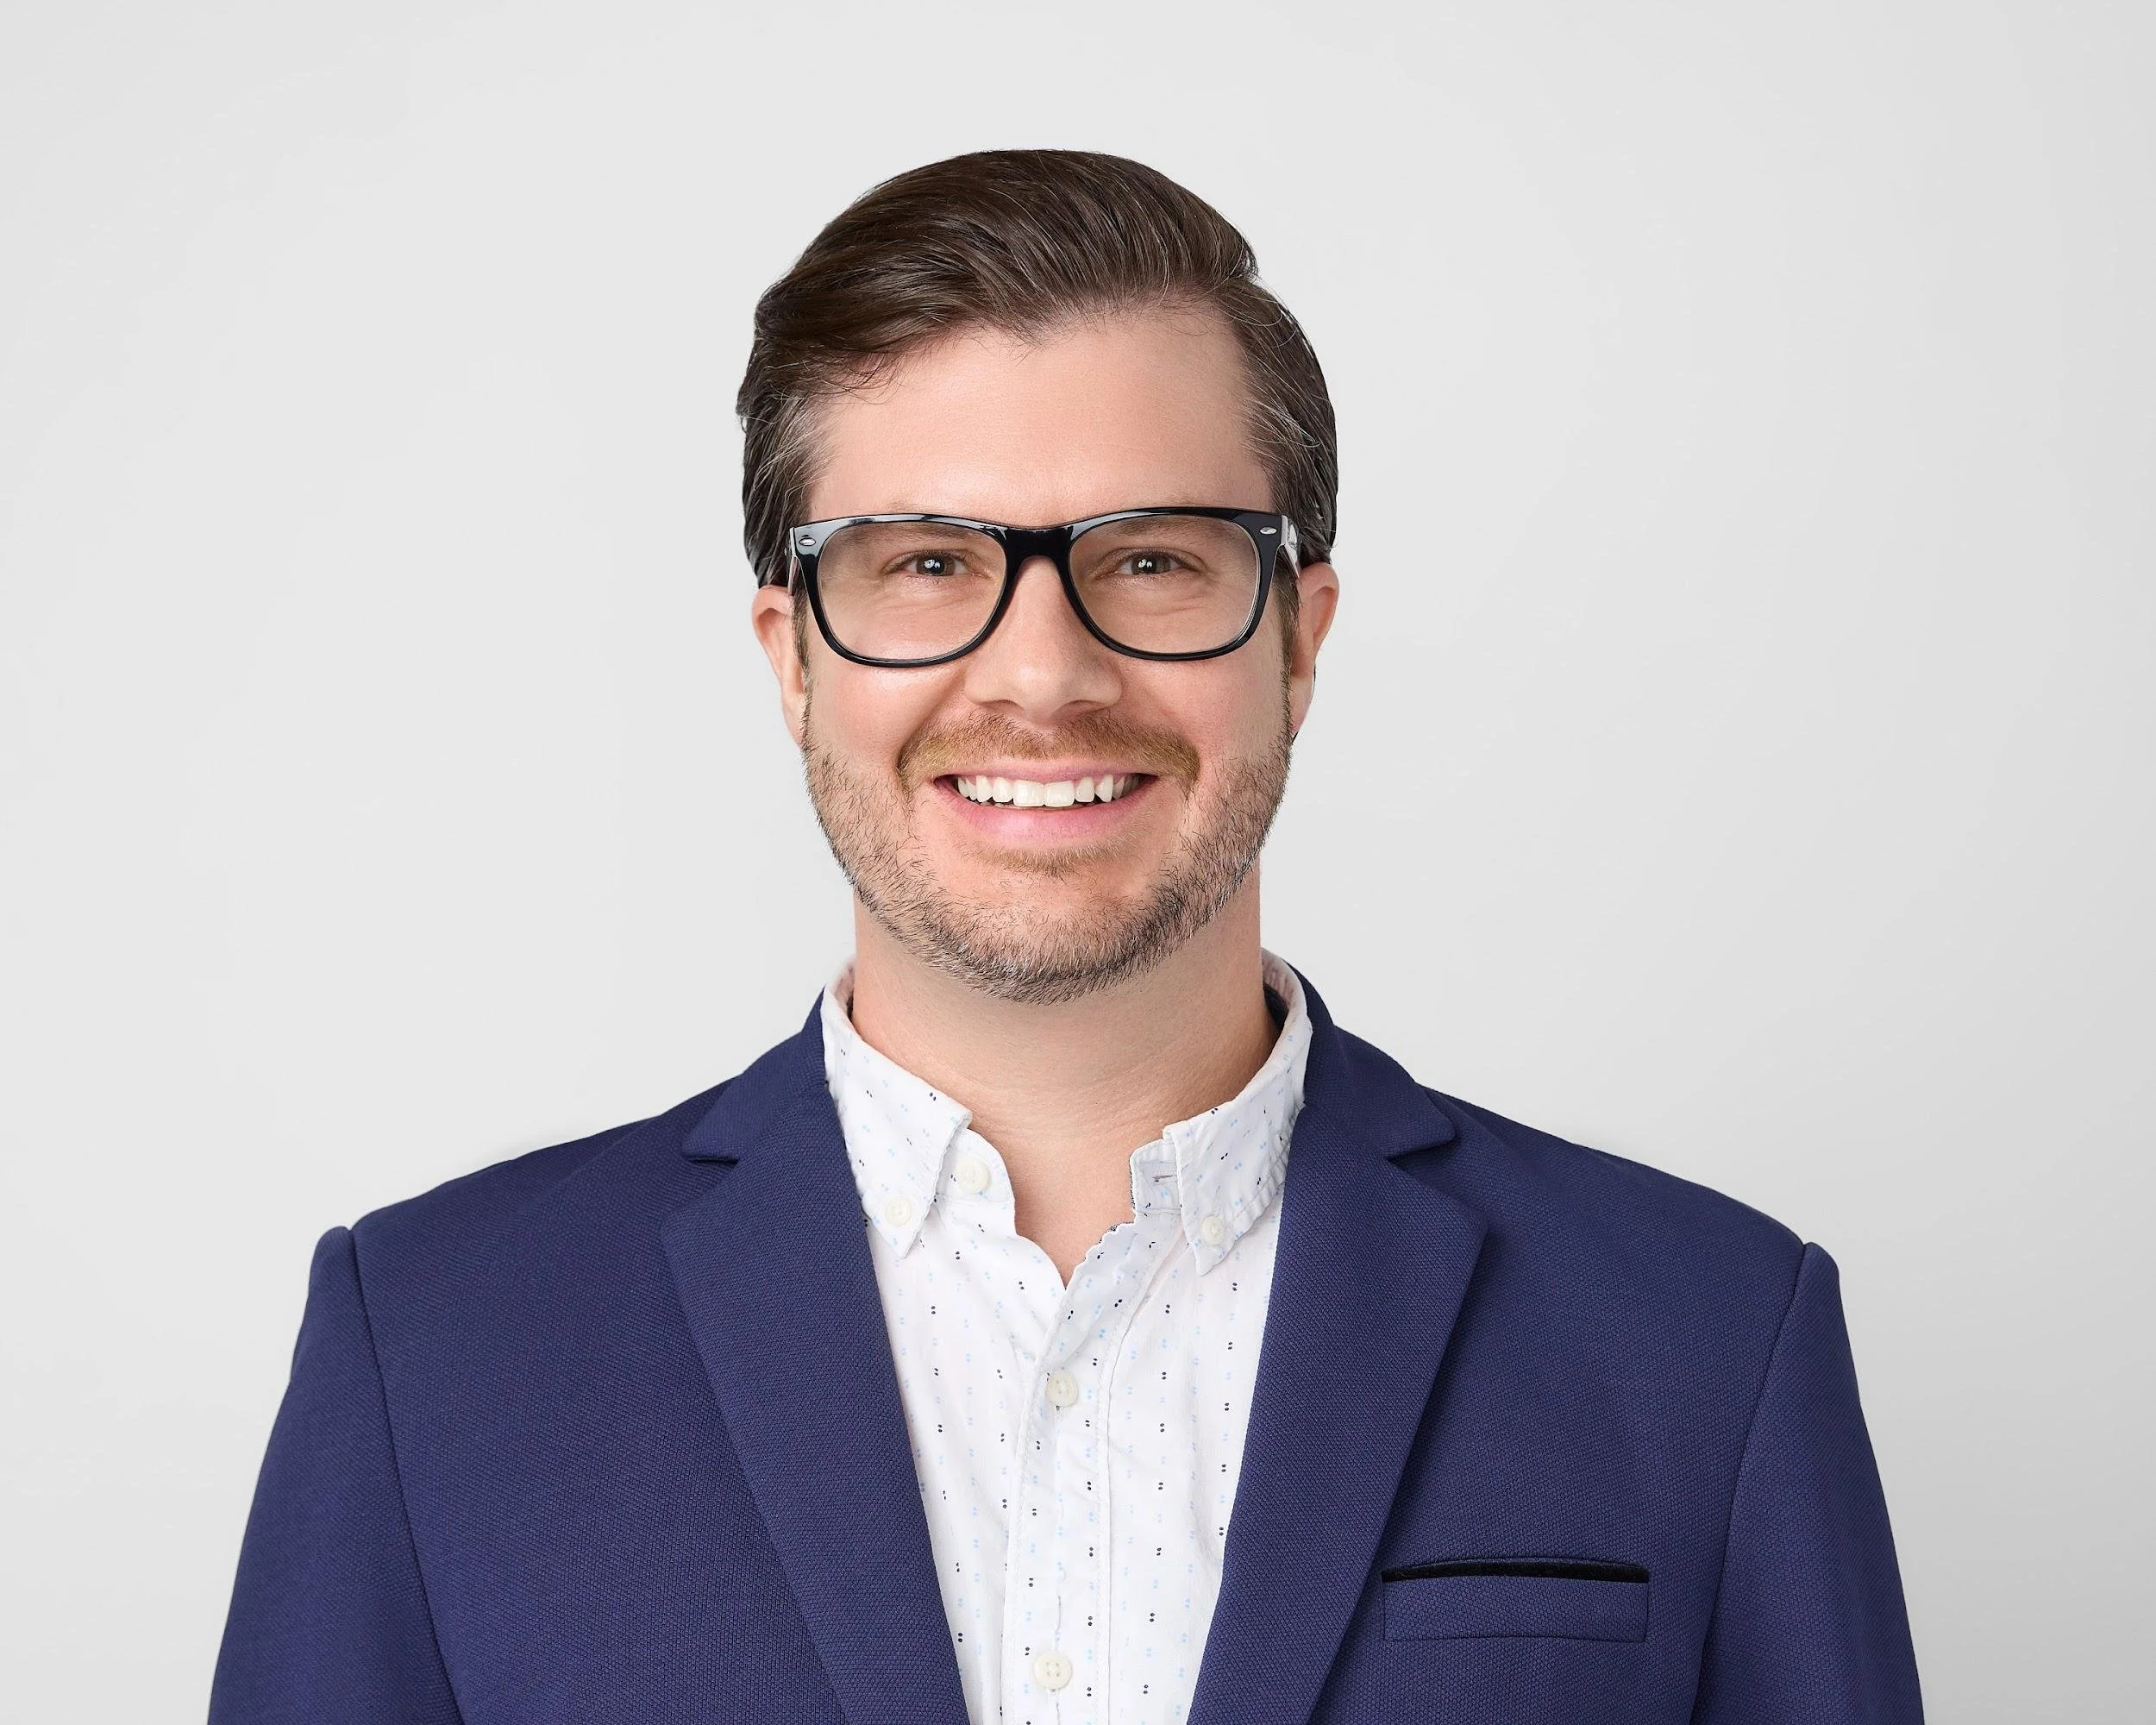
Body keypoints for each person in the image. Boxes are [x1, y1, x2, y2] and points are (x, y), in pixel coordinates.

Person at [210, 150, 1923, 1725]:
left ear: (1298, 638)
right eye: (927, 563)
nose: (1040, 675)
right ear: (791, 652)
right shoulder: (434, 1347)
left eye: (1156, 562)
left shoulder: (1706, 1337)